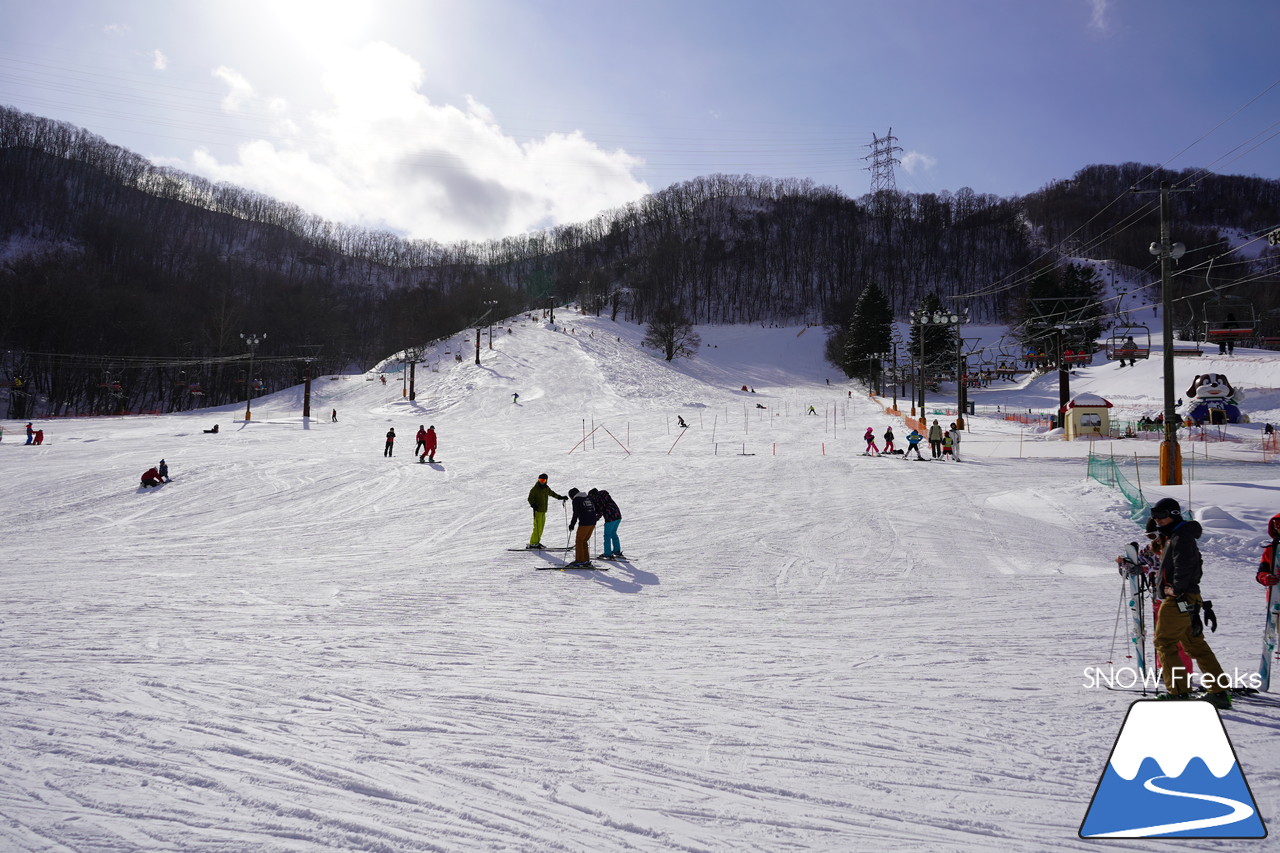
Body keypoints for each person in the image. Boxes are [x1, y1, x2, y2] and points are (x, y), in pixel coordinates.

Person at [1148, 498, 1231, 708]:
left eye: (1161, 514)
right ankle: (1219, 692)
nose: (1157, 519)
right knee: (1195, 644)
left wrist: (1176, 589)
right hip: (1188, 598)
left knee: (1164, 642)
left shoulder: (1181, 537)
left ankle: (1178, 693)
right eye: (1154, 514)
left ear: (1174, 514)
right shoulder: (1177, 535)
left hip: (1179, 599)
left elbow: (1184, 564)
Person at [527, 474, 567, 549]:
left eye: (543, 480)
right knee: (537, 527)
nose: (541, 482)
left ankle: (536, 542)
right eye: (540, 480)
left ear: (546, 480)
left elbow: (552, 494)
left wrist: (560, 497)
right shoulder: (535, 489)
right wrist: (533, 504)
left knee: (541, 527)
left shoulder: (546, 488)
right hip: (537, 511)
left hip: (543, 511)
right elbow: (530, 498)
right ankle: (533, 543)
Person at [567, 488, 601, 567]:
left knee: (579, 541)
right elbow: (598, 509)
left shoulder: (576, 500)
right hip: (593, 522)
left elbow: (575, 513)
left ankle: (580, 561)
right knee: (584, 541)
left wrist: (572, 524)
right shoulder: (588, 498)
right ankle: (586, 560)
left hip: (585, 522)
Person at [591, 487, 624, 559]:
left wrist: (595, 519)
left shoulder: (598, 499)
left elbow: (600, 510)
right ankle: (617, 551)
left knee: (607, 536)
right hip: (618, 516)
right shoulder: (605, 495)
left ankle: (607, 553)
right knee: (613, 534)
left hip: (610, 518)